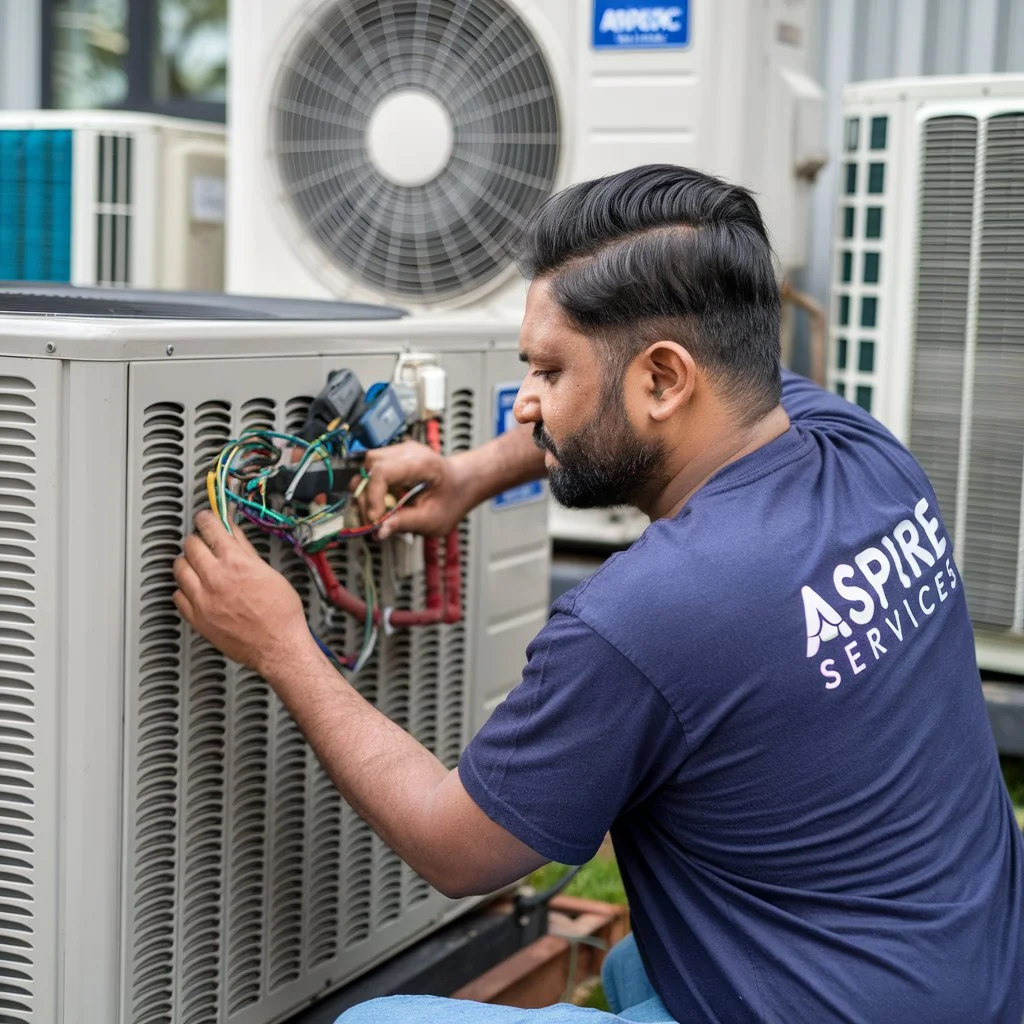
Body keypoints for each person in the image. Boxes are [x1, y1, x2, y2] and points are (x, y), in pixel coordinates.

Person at [173, 165, 1024, 1023]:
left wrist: (282, 643)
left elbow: (451, 846)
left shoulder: (645, 616)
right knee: (638, 965)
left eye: (548, 371)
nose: (525, 407)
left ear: (662, 379)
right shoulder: (866, 453)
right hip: (978, 966)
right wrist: (470, 474)